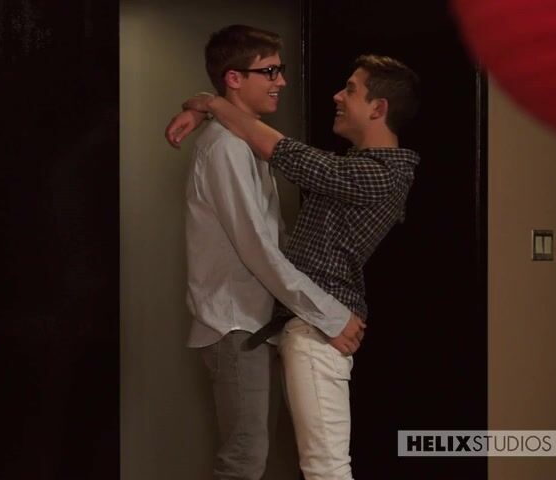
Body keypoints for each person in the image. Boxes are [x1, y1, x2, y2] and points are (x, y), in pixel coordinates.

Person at [167, 54, 421, 480]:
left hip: (320, 325)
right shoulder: (360, 166)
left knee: (326, 468)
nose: (337, 96)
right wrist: (205, 105)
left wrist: (208, 104)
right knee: (316, 464)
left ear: (378, 109)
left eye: (351, 90)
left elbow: (282, 151)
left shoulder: (376, 174)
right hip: (311, 321)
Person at [184, 25, 361, 480]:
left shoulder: (245, 142)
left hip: (256, 323)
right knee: (244, 459)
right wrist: (330, 314)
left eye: (279, 70)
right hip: (234, 323)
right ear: (234, 79)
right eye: (269, 71)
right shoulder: (225, 149)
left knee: (252, 456)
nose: (281, 81)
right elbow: (258, 251)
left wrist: (204, 103)